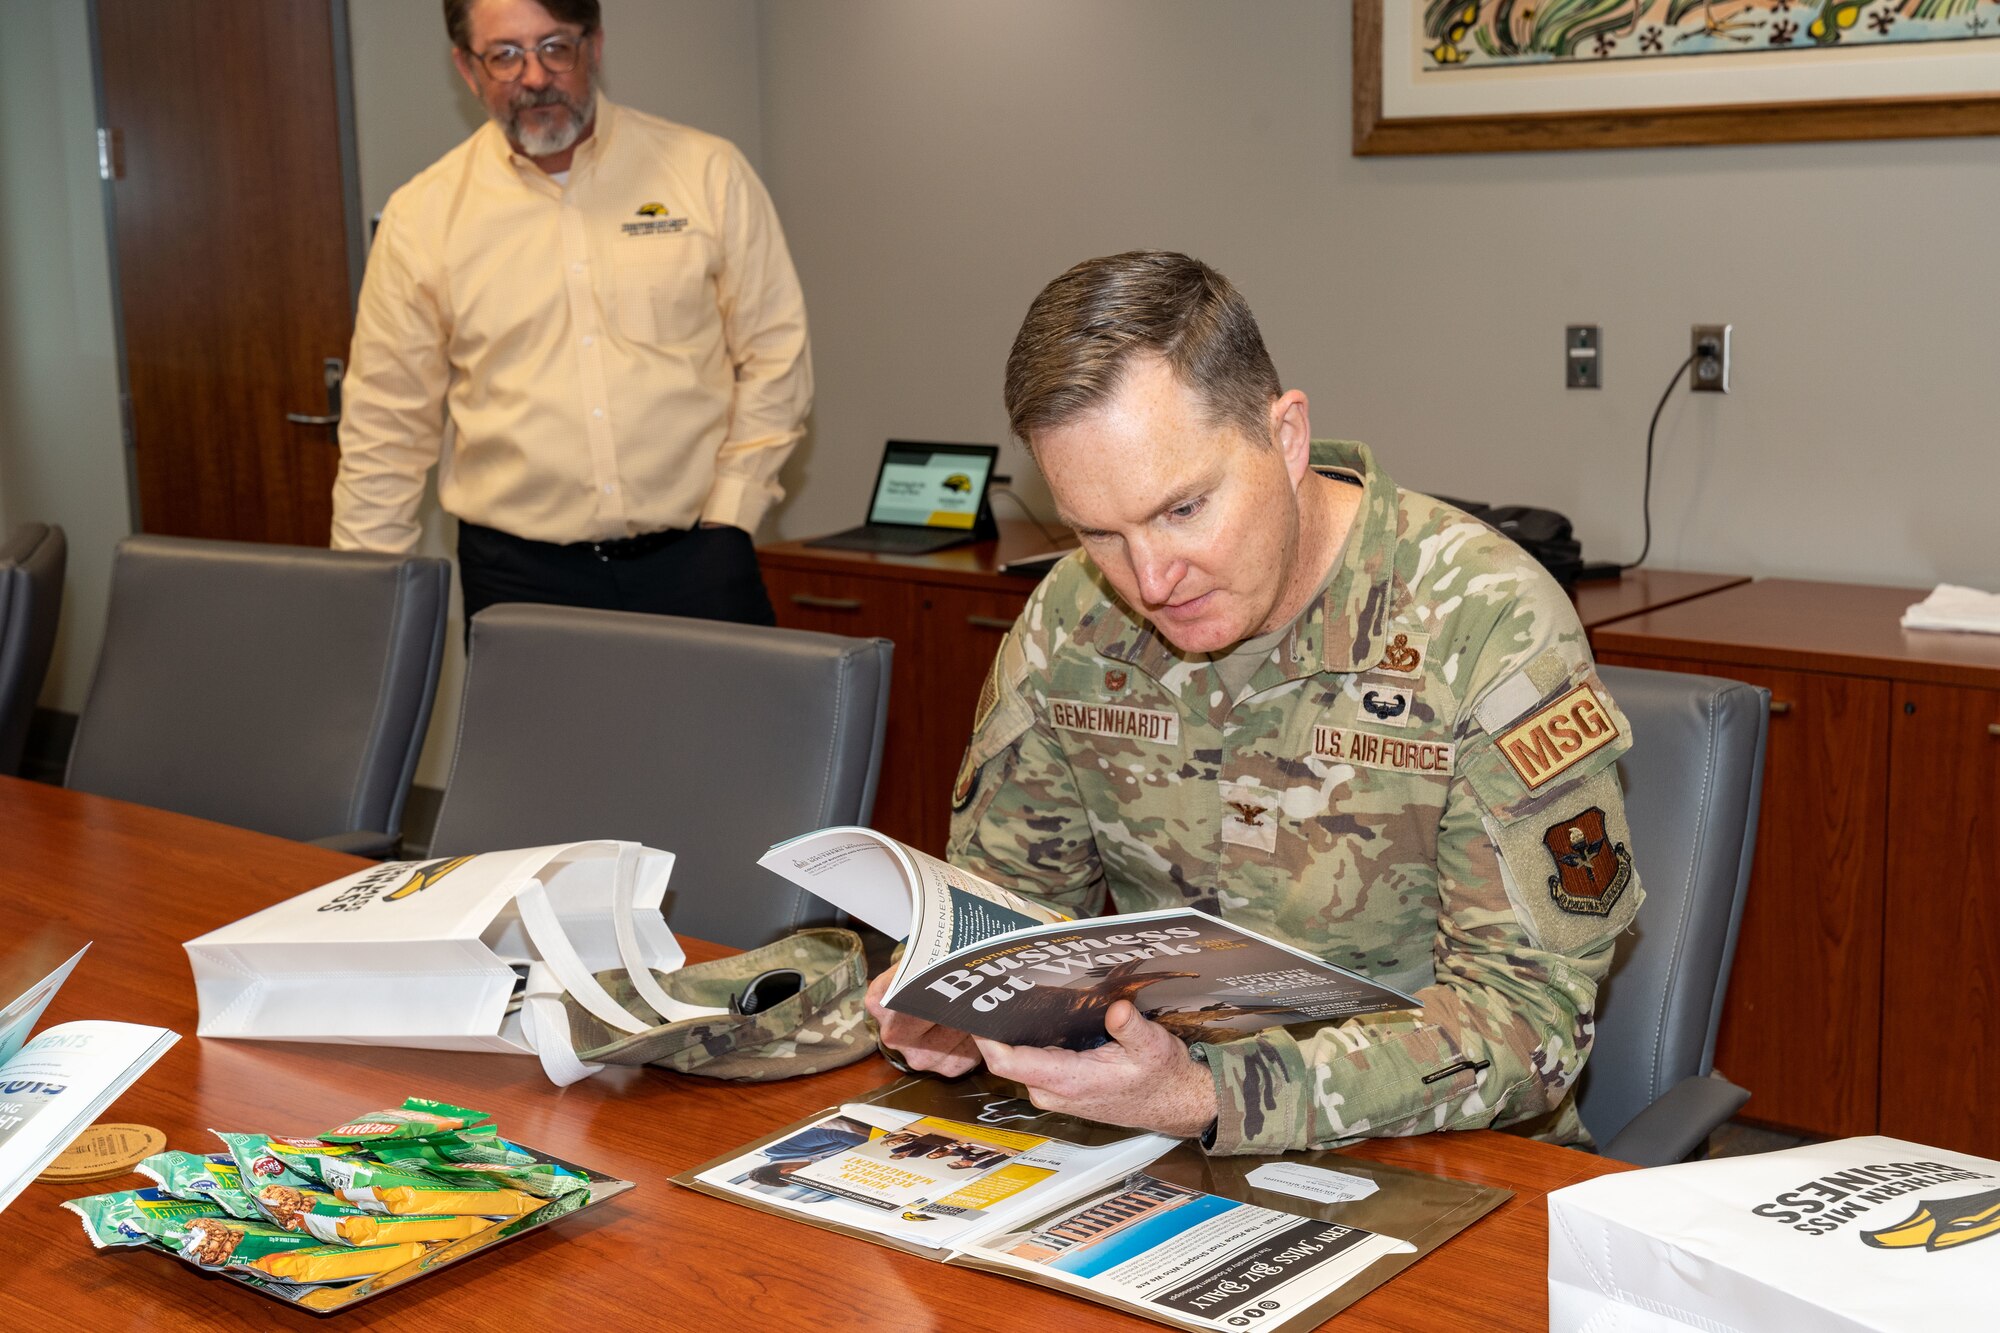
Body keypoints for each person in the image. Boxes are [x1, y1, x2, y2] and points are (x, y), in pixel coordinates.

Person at [869, 251, 1644, 1156]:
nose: (1150, 580)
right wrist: (963, 998)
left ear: (1286, 437)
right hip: (1144, 1132)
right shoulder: (1072, 620)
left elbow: (1528, 1024)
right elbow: (1014, 912)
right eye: (1099, 533)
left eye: (1184, 509)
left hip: (1440, 1153)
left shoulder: (1484, 623)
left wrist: (1209, 1094)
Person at [331, 0, 811, 627]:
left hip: (698, 558)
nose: (534, 77)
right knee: (536, 733)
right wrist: (364, 608)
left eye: (555, 46)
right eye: (505, 55)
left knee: (735, 728)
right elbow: (386, 427)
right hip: (519, 581)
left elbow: (775, 353)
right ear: (467, 70)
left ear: (595, 45)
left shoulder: (706, 173)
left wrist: (733, 508)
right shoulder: (422, 217)